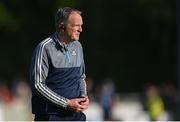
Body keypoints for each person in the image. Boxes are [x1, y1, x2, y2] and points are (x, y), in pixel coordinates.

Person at [30, 7, 89, 121]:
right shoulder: (44, 48)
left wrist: (84, 97)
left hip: (75, 116)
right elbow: (38, 85)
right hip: (51, 116)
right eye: (77, 26)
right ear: (62, 26)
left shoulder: (78, 46)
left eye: (81, 26)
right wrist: (66, 103)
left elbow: (81, 77)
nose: (81, 30)